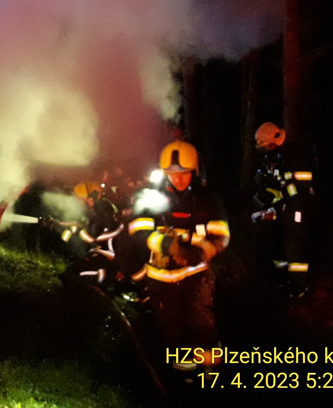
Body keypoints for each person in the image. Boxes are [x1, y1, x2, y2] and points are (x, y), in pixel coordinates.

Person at [124, 140, 230, 376]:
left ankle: (212, 374)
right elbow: (138, 233)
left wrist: (201, 253)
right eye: (172, 174)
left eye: (183, 173)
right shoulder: (149, 198)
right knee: (173, 330)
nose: (178, 179)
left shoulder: (209, 199)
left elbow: (221, 236)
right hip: (161, 278)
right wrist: (170, 247)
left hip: (196, 275)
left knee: (202, 325)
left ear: (194, 171)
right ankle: (184, 377)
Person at [251, 122, 314, 297]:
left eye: (266, 145)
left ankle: (299, 287)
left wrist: (281, 185)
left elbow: (301, 187)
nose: (265, 149)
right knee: (278, 243)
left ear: (274, 140)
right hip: (282, 207)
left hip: (297, 207)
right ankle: (281, 280)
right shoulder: (274, 155)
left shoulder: (295, 154)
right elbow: (267, 178)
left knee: (293, 245)